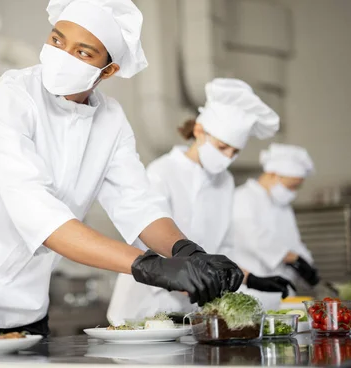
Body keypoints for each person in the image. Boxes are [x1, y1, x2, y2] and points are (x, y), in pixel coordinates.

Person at [0, 0, 243, 336]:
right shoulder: (12, 96)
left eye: (83, 52)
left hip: (27, 299)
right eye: (57, 40)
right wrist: (150, 266)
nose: (62, 56)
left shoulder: (111, 119)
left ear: (109, 70)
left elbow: (138, 204)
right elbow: (38, 213)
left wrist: (188, 251)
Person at [108, 79, 294, 324]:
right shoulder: (162, 172)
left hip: (192, 310)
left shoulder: (224, 182)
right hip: (145, 307)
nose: (227, 158)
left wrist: (249, 278)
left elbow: (221, 250)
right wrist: (191, 280)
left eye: (234, 152)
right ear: (199, 131)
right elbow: (146, 243)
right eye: (222, 147)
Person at [228, 143, 318, 309]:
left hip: (284, 292)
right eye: (291, 186)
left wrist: (307, 263)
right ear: (273, 175)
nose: (293, 191)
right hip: (253, 291)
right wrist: (294, 258)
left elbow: (293, 240)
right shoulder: (243, 198)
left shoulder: (282, 206)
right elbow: (253, 238)